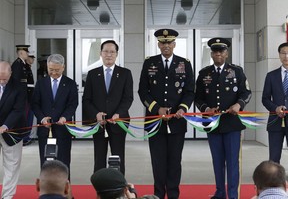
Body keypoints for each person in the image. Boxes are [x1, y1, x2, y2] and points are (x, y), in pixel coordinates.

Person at [138, 28, 195, 199]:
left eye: (169, 42)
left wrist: (182, 108)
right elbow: (143, 91)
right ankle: (158, 194)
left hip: (177, 123)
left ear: (174, 44)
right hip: (155, 122)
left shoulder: (184, 63)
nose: (166, 46)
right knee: (158, 162)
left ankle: (173, 195)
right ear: (158, 44)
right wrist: (156, 109)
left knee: (174, 162)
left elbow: (190, 91)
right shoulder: (149, 63)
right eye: (163, 43)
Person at [194, 37, 252, 199]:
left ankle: (232, 195)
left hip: (232, 124)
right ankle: (220, 193)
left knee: (232, 162)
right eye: (215, 51)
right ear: (211, 54)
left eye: (222, 51)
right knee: (217, 162)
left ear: (227, 54)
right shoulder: (204, 73)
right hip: (213, 124)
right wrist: (206, 109)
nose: (218, 54)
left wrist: (239, 105)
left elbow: (246, 93)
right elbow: (197, 98)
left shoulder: (237, 71)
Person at [82, 40, 133, 174]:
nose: (108, 55)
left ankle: (119, 187)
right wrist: (96, 114)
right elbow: (86, 99)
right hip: (99, 123)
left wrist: (119, 114)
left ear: (116, 54)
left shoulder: (125, 73)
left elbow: (128, 98)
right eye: (106, 51)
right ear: (100, 53)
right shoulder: (92, 74)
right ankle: (100, 188)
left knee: (118, 157)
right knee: (99, 158)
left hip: (118, 122)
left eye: (112, 52)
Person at [32, 54, 78, 173]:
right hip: (45, 129)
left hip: (63, 129)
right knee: (46, 162)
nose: (53, 73)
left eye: (57, 70)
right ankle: (47, 190)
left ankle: (65, 190)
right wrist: (42, 118)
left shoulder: (70, 84)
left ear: (63, 67)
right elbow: (35, 104)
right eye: (51, 70)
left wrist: (65, 117)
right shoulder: (41, 83)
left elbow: (73, 104)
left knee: (63, 162)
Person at [0, 61, 26, 199]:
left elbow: (18, 110)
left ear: (11, 73)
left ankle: (7, 196)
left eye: (5, 78)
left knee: (11, 165)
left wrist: (5, 126)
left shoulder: (19, 87)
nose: (2, 81)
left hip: (12, 131)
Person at [262, 42, 288, 163]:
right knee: (274, 156)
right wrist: (275, 108)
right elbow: (265, 98)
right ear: (279, 55)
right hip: (275, 121)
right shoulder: (271, 76)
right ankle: (274, 179)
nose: (286, 56)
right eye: (283, 53)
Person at [24, 52, 36, 145]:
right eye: (31, 57)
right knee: (26, 118)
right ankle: (25, 137)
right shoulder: (24, 68)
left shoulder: (28, 68)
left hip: (30, 97)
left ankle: (27, 136)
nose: (33, 60)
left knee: (29, 118)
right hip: (26, 98)